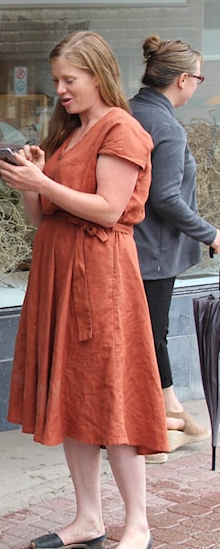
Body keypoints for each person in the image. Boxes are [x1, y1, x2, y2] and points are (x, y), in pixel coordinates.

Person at [0, 31, 167, 549]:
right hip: (59, 273)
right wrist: (32, 180)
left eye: (70, 80)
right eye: (57, 81)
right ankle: (88, 518)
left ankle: (137, 522)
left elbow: (110, 209)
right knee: (72, 394)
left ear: (98, 75)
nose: (61, 90)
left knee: (112, 395)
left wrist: (45, 182)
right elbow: (41, 214)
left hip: (100, 278)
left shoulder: (123, 129)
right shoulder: (67, 133)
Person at [130, 35, 214, 463]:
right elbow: (166, 198)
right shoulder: (164, 126)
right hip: (153, 251)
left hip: (131, 245)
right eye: (199, 77)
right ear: (183, 79)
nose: (198, 84)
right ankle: (157, 427)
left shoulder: (129, 112)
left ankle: (173, 411)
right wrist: (210, 233)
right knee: (152, 337)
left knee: (147, 335)